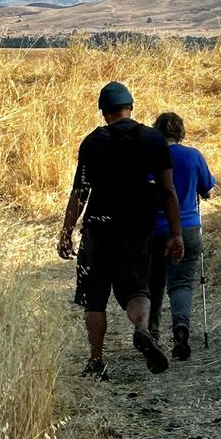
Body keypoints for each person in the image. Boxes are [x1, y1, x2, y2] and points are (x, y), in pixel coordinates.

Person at [57, 81, 184, 380]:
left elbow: (80, 192)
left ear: (104, 113)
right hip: (139, 227)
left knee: (96, 297)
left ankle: (97, 361)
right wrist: (176, 233)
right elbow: (168, 191)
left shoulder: (92, 143)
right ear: (131, 108)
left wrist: (66, 231)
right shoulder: (154, 140)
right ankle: (141, 330)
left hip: (98, 228)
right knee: (138, 290)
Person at [148, 112, 216, 360]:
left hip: (155, 229)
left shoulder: (151, 157)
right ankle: (181, 327)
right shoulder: (193, 155)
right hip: (188, 228)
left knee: (153, 284)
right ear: (181, 132)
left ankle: (151, 335)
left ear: (157, 132)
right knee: (181, 284)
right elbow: (207, 188)